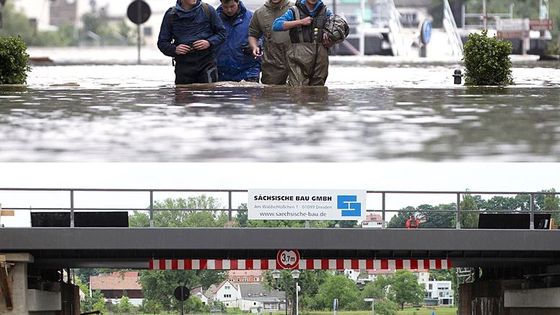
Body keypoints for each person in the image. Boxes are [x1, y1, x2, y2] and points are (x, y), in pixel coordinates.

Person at [158, 0, 227, 84]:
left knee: (208, 94)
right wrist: (175, 49)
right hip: (183, 66)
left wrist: (209, 42)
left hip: (206, 63)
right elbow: (162, 42)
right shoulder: (171, 15)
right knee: (184, 94)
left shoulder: (208, 10)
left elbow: (222, 33)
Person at [272, 0, 333, 86]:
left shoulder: (326, 12)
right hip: (298, 58)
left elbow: (339, 30)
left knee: (318, 90)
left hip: (320, 60)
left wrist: (330, 39)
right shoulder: (294, 11)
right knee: (298, 89)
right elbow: (276, 25)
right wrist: (300, 22)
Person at [248, 0, 293, 85]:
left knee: (298, 92)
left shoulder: (295, 9)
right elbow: (253, 34)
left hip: (295, 59)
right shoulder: (259, 13)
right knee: (270, 94)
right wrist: (254, 47)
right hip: (271, 63)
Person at [216, 0, 261, 82]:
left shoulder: (252, 17)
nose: (229, 10)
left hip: (249, 70)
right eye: (225, 7)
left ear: (238, 2)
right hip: (221, 72)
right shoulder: (214, 18)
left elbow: (264, 38)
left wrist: (255, 45)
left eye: (232, 6)